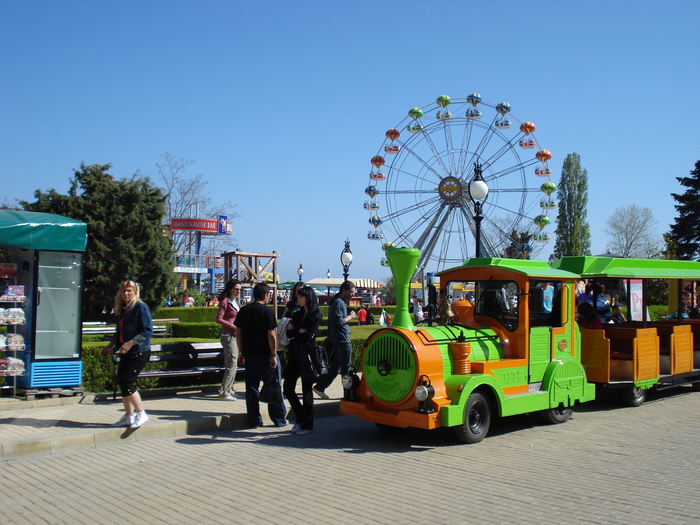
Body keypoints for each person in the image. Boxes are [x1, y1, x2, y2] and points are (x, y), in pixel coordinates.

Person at [101, 280, 153, 429]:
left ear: (135, 292)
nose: (126, 294)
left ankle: (140, 413)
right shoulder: (124, 310)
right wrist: (110, 346)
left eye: (129, 291)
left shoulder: (140, 307)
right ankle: (129, 416)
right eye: (123, 291)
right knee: (122, 381)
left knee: (127, 381)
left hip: (139, 351)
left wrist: (131, 343)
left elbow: (147, 330)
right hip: (125, 352)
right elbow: (119, 333)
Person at [234, 282, 287, 428]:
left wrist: (241, 351)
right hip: (266, 355)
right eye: (269, 294)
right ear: (265, 295)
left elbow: (238, 333)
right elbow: (271, 334)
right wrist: (274, 354)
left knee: (251, 389)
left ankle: (254, 420)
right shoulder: (267, 312)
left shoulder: (244, 311)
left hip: (250, 354)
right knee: (273, 387)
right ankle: (279, 419)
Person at [283, 286, 322, 435]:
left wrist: (299, 330)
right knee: (288, 387)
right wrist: (300, 330)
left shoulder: (315, 314)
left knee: (307, 390)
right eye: (297, 296)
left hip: (308, 354)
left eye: (301, 297)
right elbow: (289, 330)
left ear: (308, 298)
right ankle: (300, 416)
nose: (298, 299)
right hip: (295, 352)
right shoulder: (297, 313)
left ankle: (308, 424)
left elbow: (310, 334)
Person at [312, 280, 357, 400]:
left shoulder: (338, 302)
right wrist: (350, 317)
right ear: (344, 290)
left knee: (336, 367)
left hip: (337, 339)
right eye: (351, 291)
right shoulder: (339, 303)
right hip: (342, 340)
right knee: (345, 369)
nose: (353, 294)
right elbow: (340, 322)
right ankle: (347, 394)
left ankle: (320, 387)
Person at [215, 279, 241, 401]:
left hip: (236, 335)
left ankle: (230, 389)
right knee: (231, 363)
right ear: (230, 289)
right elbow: (219, 319)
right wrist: (232, 326)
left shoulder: (236, 302)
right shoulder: (225, 302)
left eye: (240, 289)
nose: (238, 291)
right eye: (236, 289)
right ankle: (224, 392)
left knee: (234, 363)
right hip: (228, 336)